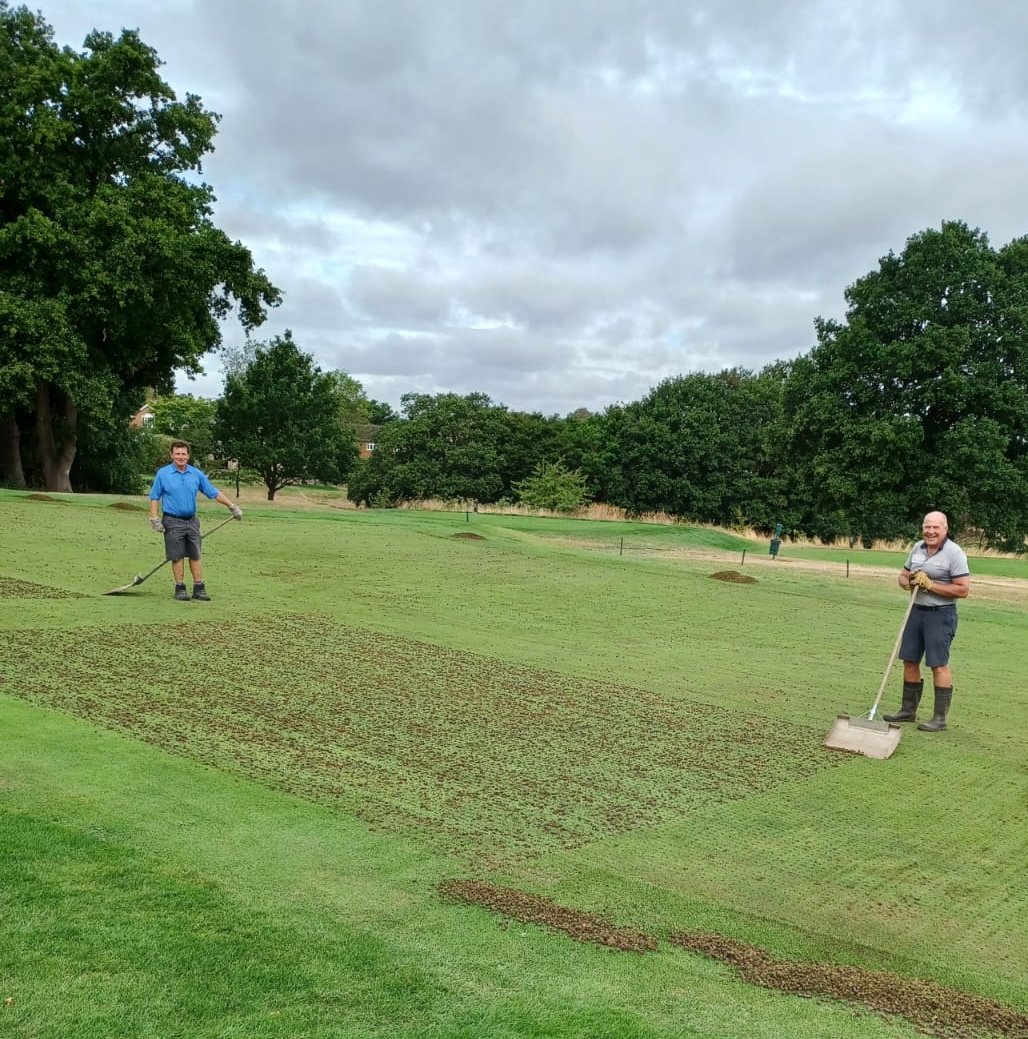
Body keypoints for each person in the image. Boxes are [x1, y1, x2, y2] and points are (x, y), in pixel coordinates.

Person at [883, 511, 970, 732]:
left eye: (935, 528)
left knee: (938, 665)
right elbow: (902, 576)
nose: (930, 531)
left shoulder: (954, 553)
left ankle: (939, 719)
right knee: (910, 660)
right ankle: (908, 710)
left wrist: (931, 585)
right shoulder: (918, 547)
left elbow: (962, 589)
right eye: (927, 527)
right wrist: (909, 582)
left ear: (945, 529)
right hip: (916, 611)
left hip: (940, 614)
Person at [148, 440, 243, 601]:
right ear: (171, 455)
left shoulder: (196, 474)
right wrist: (154, 518)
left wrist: (232, 506)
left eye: (183, 454)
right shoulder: (163, 474)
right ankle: (180, 588)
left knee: (195, 553)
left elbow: (213, 492)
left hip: (191, 521)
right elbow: (154, 496)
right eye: (177, 454)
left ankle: (199, 588)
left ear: (188, 456)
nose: (180, 457)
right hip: (172, 521)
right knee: (176, 555)